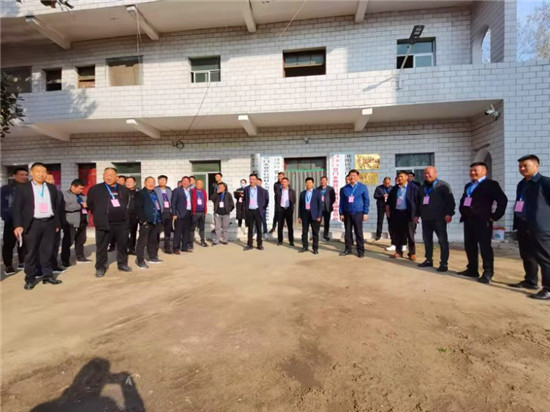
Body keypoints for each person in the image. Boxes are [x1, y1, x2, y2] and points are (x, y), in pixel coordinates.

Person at [13, 163, 62, 290]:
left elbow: (55, 207)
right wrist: (18, 225)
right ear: (32, 173)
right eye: (38, 171)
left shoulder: (51, 188)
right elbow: (17, 208)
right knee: (31, 253)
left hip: (49, 223)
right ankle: (30, 278)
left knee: (47, 251)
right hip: (32, 223)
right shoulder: (23, 188)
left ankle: (47, 276)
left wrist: (57, 223)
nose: (41, 174)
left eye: (43, 171)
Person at [457, 162, 508, 284]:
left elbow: (503, 200)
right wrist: (463, 212)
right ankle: (472, 269)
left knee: (485, 247)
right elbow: (464, 200)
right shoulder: (468, 185)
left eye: (476, 170)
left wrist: (495, 216)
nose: (472, 173)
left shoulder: (491, 184)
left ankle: (488, 272)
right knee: (470, 246)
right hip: (468, 220)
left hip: (483, 221)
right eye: (471, 170)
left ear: (484, 171)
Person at [508, 155, 550, 300]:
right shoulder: (522, 184)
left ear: (536, 166)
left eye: (526, 165)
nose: (522, 168)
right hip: (523, 225)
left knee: (545, 258)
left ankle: (548, 289)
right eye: (520, 166)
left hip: (540, 227)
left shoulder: (544, 182)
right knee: (527, 255)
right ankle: (530, 281)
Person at [87, 167, 132, 277]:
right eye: (106, 174)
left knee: (122, 245)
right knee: (102, 247)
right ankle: (100, 267)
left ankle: (122, 264)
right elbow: (90, 205)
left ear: (116, 177)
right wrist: (99, 214)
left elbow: (125, 202)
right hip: (103, 223)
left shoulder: (123, 189)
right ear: (103, 176)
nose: (108, 177)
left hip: (121, 223)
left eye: (111, 175)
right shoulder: (95, 189)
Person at [417, 167, 455, 272]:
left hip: (439, 219)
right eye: (425, 173)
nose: (426, 175)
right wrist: (416, 215)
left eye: (429, 173)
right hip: (426, 218)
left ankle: (444, 263)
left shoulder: (443, 186)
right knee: (427, 240)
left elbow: (450, 201)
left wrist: (449, 213)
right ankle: (429, 259)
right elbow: (418, 202)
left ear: (435, 173)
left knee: (442, 241)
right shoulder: (422, 187)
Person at [386, 170, 421, 261]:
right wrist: (389, 212)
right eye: (398, 176)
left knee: (410, 234)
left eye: (401, 176)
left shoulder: (413, 188)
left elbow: (418, 202)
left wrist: (417, 215)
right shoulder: (395, 189)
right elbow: (389, 201)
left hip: (409, 214)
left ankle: (412, 253)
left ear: (406, 177)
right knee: (398, 234)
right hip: (397, 213)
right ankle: (398, 252)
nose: (399, 178)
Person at [1, 167, 28, 275]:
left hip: (25, 220)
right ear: (14, 175)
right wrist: (6, 217)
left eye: (26, 175)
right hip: (11, 220)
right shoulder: (6, 189)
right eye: (22, 174)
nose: (24, 177)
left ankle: (22, 262)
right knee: (9, 243)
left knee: (24, 242)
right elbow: (2, 205)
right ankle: (8, 265)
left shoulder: (29, 187)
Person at [339, 169, 370, 258]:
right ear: (348, 177)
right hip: (347, 213)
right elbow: (341, 202)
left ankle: (360, 250)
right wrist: (341, 213)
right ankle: (348, 249)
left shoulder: (362, 187)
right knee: (347, 232)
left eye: (354, 175)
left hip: (358, 213)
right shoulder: (344, 189)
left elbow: (366, 200)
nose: (352, 177)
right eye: (351, 175)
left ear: (357, 177)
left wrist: (365, 213)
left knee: (358, 232)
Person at [134, 177, 163, 269]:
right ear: (144, 183)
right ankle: (140, 260)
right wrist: (143, 220)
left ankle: (152, 257)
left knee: (153, 241)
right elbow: (138, 208)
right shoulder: (140, 193)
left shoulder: (155, 193)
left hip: (155, 220)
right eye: (149, 182)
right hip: (146, 221)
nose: (151, 184)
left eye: (153, 182)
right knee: (142, 242)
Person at [61, 179, 90, 267]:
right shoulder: (65, 195)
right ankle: (65, 260)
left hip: (82, 221)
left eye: (82, 189)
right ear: (73, 187)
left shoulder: (82, 195)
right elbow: (66, 207)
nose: (81, 190)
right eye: (80, 188)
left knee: (81, 240)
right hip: (71, 222)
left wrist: (88, 205)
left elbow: (87, 205)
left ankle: (80, 257)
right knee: (68, 241)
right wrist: (80, 205)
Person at [243, 173, 268, 251]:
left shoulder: (262, 190)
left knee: (259, 228)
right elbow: (244, 200)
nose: (251, 181)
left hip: (258, 211)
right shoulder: (246, 189)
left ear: (256, 180)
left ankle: (259, 244)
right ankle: (249, 244)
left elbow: (266, 200)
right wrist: (246, 208)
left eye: (253, 179)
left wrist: (262, 208)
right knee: (250, 229)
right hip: (249, 211)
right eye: (250, 179)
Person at [298, 177, 323, 254]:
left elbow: (320, 205)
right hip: (305, 214)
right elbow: (300, 206)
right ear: (305, 184)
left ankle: (315, 248)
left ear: (313, 184)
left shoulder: (317, 193)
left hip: (314, 215)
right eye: (307, 183)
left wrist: (319, 216)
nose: (308, 184)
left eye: (310, 183)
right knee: (304, 232)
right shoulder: (302, 193)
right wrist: (299, 216)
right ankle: (305, 246)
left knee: (315, 232)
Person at [171, 176, 193, 254]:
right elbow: (173, 203)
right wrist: (174, 213)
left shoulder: (190, 191)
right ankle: (175, 248)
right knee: (178, 232)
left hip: (188, 213)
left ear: (189, 183)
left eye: (187, 181)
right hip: (179, 214)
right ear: (182, 182)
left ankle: (184, 247)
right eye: (184, 181)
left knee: (186, 232)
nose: (185, 182)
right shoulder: (177, 190)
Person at [154, 175, 173, 254]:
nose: (162, 181)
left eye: (164, 180)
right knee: (157, 231)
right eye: (160, 180)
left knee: (167, 231)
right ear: (158, 181)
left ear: (166, 181)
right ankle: (155, 247)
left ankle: (167, 247)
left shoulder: (169, 190)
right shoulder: (155, 190)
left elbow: (172, 201)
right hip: (159, 213)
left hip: (168, 213)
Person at [275, 177, 296, 246]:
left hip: (288, 210)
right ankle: (280, 241)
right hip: (281, 210)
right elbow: (276, 201)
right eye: (282, 182)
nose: (283, 183)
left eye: (285, 182)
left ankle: (291, 241)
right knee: (280, 226)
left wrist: (291, 208)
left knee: (290, 226)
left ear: (288, 183)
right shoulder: (278, 191)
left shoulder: (292, 191)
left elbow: (294, 200)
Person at [190, 179, 208, 248]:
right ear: (196, 184)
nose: (199, 185)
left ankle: (202, 241)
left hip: (202, 213)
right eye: (198, 184)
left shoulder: (204, 192)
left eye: (201, 184)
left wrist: (205, 211)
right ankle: (190, 243)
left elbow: (205, 201)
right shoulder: (192, 191)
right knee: (192, 228)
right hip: (195, 212)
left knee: (202, 228)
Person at [373, 177, 392, 241]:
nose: (387, 184)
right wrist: (382, 196)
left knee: (390, 221)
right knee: (380, 220)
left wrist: (389, 196)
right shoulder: (379, 188)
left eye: (388, 183)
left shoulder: (392, 188)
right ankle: (378, 235)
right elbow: (375, 196)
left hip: (389, 206)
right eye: (386, 183)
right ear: (383, 182)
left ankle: (392, 234)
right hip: (381, 206)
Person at [317, 176, 336, 241]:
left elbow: (333, 198)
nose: (322, 182)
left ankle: (326, 235)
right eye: (321, 180)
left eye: (324, 180)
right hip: (319, 209)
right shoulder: (317, 189)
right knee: (317, 222)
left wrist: (328, 204)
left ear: (326, 181)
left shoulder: (330, 189)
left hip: (327, 208)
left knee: (326, 222)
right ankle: (316, 235)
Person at [125, 176, 138, 255]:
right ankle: (125, 248)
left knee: (133, 232)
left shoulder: (138, 192)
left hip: (134, 215)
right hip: (124, 215)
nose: (128, 183)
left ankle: (132, 248)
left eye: (130, 182)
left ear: (134, 183)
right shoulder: (122, 192)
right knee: (124, 233)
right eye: (127, 182)